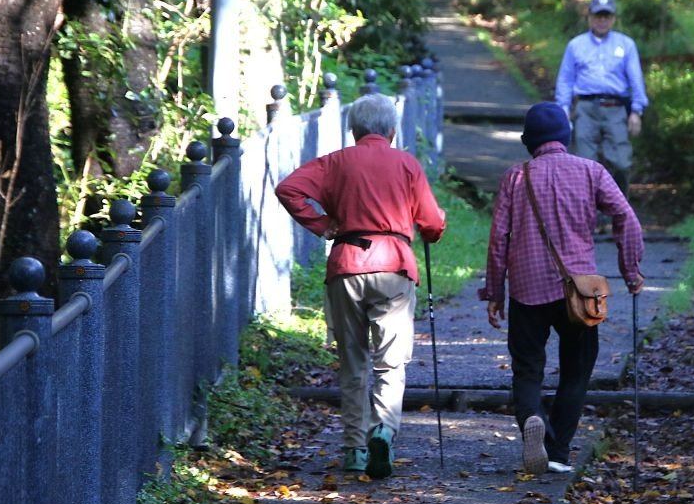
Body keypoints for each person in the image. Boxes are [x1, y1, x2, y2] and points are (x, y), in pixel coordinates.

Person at [275, 93, 447, 480]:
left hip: (347, 266)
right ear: (392, 130)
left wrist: (321, 224)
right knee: (390, 361)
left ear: (353, 130)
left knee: (352, 363)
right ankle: (382, 430)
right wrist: (434, 229)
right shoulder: (406, 164)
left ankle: (354, 448)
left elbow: (289, 189)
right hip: (394, 268)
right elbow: (432, 223)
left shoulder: (335, 162)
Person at [479, 101, 644, 474]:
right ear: (566, 137)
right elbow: (626, 219)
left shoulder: (515, 177)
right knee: (576, 369)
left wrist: (494, 292)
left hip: (527, 290)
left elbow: (498, 239)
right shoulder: (592, 171)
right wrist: (630, 271)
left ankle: (532, 419)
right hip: (580, 293)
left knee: (526, 368)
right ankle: (557, 452)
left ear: (528, 141)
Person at [554, 0, 649, 197]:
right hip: (586, 108)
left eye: (607, 16)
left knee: (621, 164)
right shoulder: (576, 45)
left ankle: (617, 209)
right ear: (589, 17)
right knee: (584, 164)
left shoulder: (626, 45)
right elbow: (566, 79)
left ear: (614, 18)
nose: (602, 20)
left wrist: (636, 111)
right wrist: (563, 109)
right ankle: (588, 213)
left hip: (616, 109)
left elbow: (635, 79)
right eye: (598, 15)